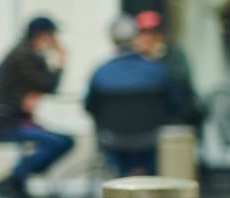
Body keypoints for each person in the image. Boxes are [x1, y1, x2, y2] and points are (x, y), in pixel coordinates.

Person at [85, 14, 199, 176]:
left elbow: (90, 107)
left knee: (117, 162)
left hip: (113, 139)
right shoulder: (157, 70)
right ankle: (150, 190)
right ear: (135, 38)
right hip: (149, 139)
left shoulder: (100, 72)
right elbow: (175, 104)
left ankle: (120, 186)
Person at [0, 16, 74, 198]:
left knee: (62, 140)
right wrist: (59, 60)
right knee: (58, 142)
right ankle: (15, 179)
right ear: (42, 35)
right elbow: (48, 84)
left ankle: (17, 178)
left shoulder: (29, 54)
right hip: (3, 123)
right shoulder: (24, 55)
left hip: (13, 119)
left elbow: (40, 86)